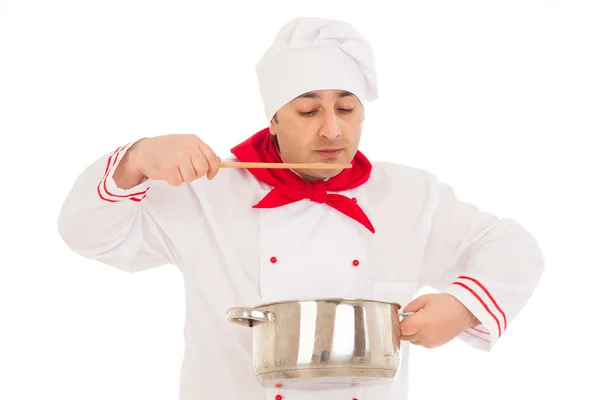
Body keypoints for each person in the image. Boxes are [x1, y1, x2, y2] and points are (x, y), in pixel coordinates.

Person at [57, 16, 544, 400]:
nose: (332, 130)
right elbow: (86, 234)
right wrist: (136, 159)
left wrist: (463, 306)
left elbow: (511, 246)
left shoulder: (409, 196)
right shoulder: (206, 190)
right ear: (272, 119)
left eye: (347, 109)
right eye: (308, 111)